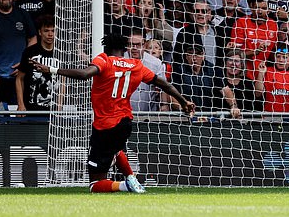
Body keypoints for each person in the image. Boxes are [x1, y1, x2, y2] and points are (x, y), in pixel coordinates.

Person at [32, 34, 195, 193]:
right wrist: (183, 101)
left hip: (105, 125)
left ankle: (125, 185)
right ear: (124, 49)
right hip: (125, 122)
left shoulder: (103, 60)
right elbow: (164, 84)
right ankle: (132, 178)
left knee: (95, 184)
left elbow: (84, 74)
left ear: (106, 48)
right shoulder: (136, 65)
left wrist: (51, 69)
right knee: (116, 150)